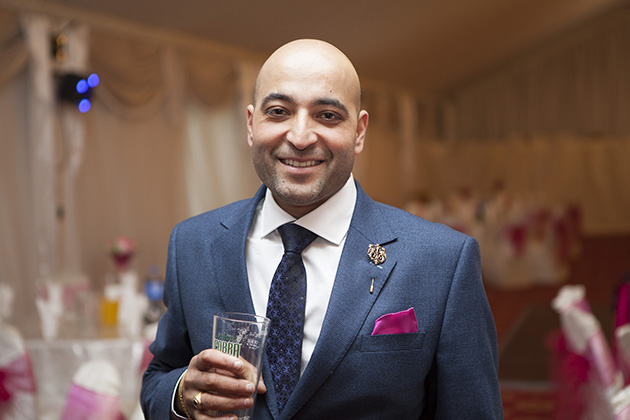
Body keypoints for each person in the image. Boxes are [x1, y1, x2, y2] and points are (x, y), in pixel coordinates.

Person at [141, 39, 503, 420]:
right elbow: (158, 376)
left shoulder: (442, 261)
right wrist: (183, 395)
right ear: (251, 124)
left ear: (359, 132)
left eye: (327, 116)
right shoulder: (194, 244)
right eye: (278, 112)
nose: (300, 137)